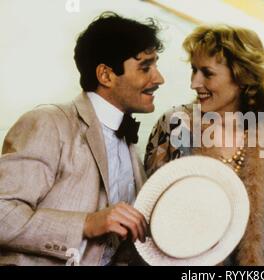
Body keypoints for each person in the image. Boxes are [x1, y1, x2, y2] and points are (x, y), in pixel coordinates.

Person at [0, 12, 165, 266]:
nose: (159, 78)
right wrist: (87, 224)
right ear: (106, 75)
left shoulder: (129, 141)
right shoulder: (48, 122)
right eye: (145, 67)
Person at [144, 24, 264, 266]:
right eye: (193, 70)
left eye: (207, 73)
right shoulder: (175, 126)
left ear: (242, 76)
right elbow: (149, 216)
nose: (194, 83)